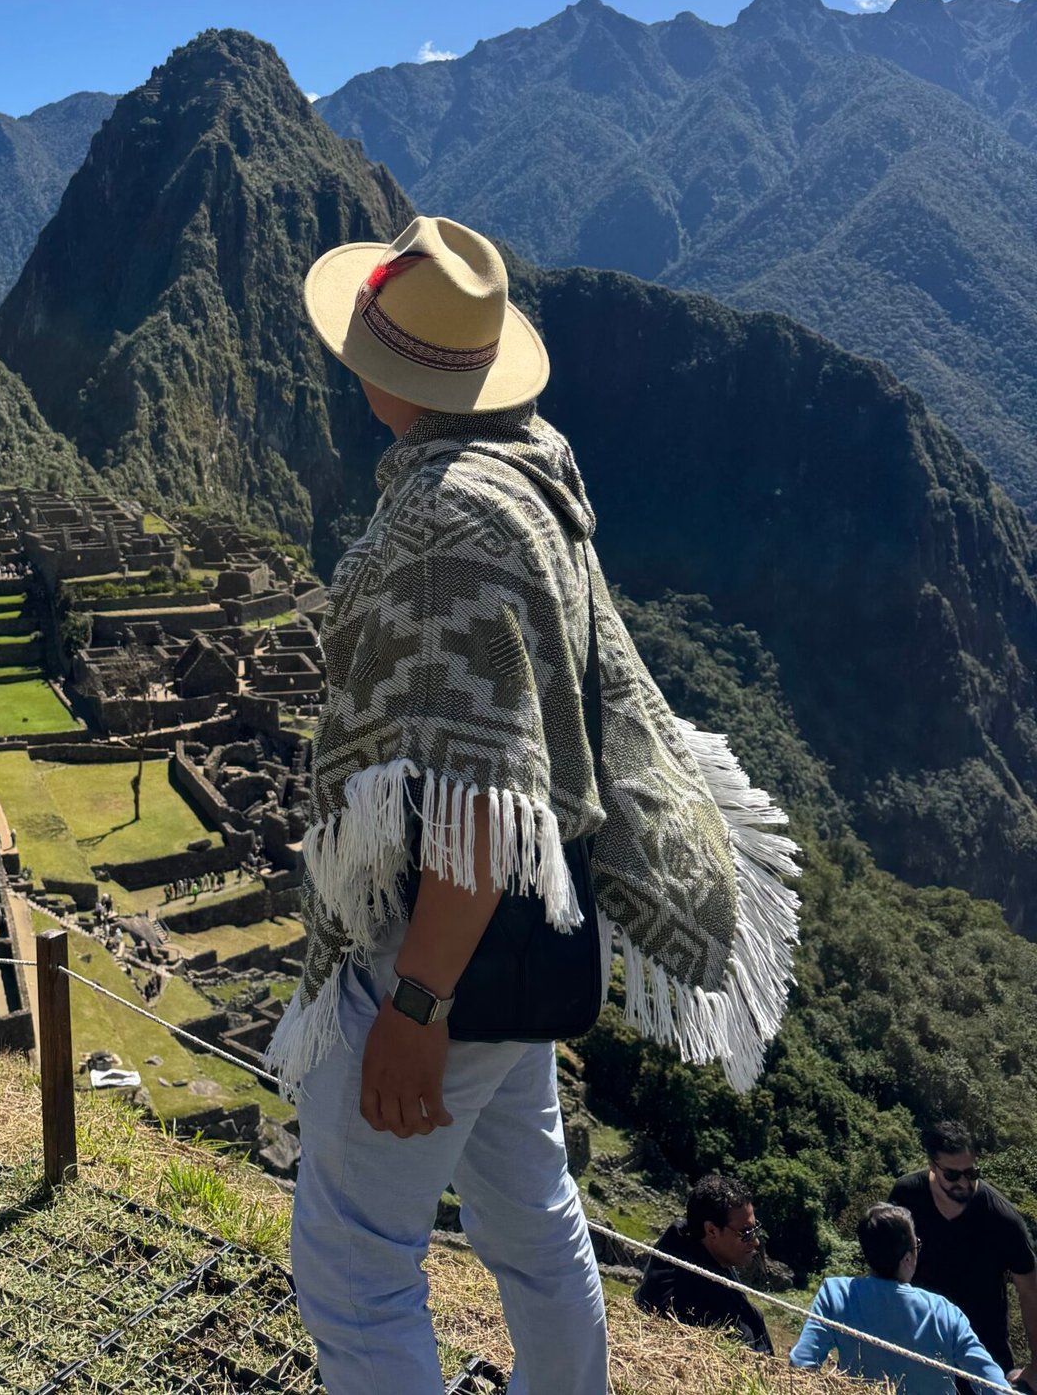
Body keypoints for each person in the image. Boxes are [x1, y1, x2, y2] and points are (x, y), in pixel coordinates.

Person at [267, 215, 801, 1395]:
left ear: (380, 369)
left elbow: (478, 794)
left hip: (445, 953)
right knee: (534, 1227)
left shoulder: (447, 523)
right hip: (534, 948)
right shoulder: (531, 466)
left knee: (354, 1279)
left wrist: (412, 1001)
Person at [791, 1203, 1010, 1391]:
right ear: (907, 1259)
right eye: (917, 1246)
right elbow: (992, 1383)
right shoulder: (944, 1313)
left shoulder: (836, 1294)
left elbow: (801, 1365)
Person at [891, 1124, 1037, 1388]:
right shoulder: (906, 1196)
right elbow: (888, 1263)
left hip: (981, 1353)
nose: (964, 1183)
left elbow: (1031, 1289)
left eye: (971, 1172)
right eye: (952, 1174)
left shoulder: (1001, 1219)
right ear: (932, 1166)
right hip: (918, 1344)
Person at [635, 1173, 774, 1353]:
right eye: (746, 1233)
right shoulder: (693, 1302)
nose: (755, 1242)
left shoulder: (697, 1248)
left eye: (754, 1229)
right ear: (711, 1231)